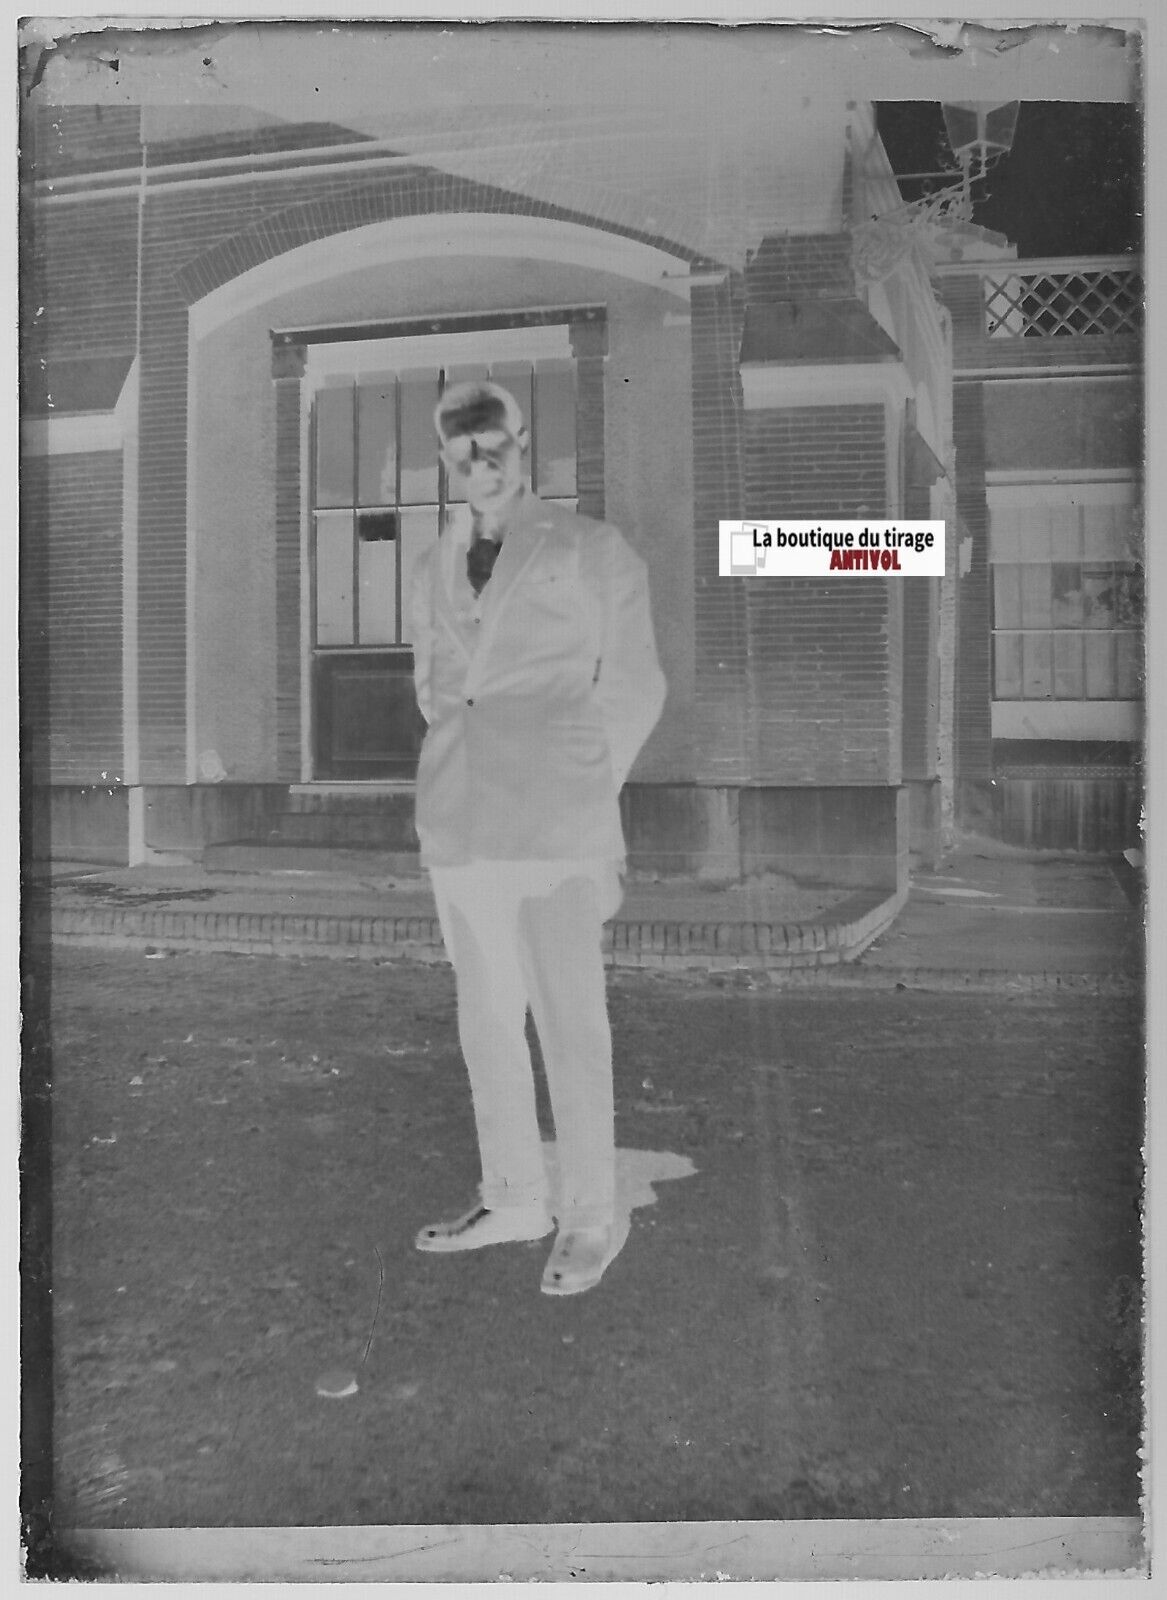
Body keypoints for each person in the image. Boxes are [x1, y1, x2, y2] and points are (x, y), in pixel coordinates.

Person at [409, 378, 666, 1295]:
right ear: (447, 462)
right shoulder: (437, 554)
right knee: (486, 1022)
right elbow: (438, 683)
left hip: (556, 824)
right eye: (462, 454)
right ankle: (514, 1196)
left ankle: (593, 1216)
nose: (481, 466)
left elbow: (634, 684)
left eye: (496, 447)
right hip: (463, 823)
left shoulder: (589, 546)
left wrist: (582, 790)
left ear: (527, 446)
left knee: (569, 1024)